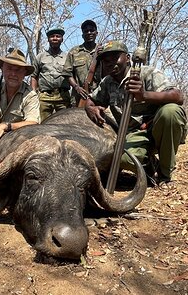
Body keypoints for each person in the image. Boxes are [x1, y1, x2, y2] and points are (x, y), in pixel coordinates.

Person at [85, 40, 187, 185]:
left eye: (115, 58)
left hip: (158, 128)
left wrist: (144, 95)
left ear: (127, 58)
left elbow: (178, 96)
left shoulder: (147, 73)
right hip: (134, 133)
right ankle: (150, 164)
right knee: (123, 159)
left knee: (170, 112)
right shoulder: (107, 82)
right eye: (106, 61)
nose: (110, 63)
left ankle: (165, 175)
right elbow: (92, 100)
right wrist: (91, 108)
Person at [0, 48, 40, 152]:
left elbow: (33, 123)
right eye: (9, 68)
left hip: (16, 144)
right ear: (2, 69)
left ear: (25, 73)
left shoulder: (30, 95)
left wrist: (5, 126)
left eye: (18, 70)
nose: (13, 74)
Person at [31, 27, 71, 121]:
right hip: (45, 97)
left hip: (63, 96)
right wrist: (33, 94)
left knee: (65, 124)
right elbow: (34, 76)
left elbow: (72, 76)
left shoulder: (67, 57)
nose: (55, 38)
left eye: (58, 36)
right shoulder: (40, 57)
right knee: (42, 124)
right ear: (48, 39)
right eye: (52, 36)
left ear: (62, 39)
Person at [62, 19, 101, 106]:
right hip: (79, 96)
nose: (89, 33)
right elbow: (67, 73)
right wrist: (77, 87)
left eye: (92, 30)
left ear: (96, 33)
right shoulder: (74, 52)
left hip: (100, 97)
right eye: (86, 31)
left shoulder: (103, 51)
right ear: (82, 35)